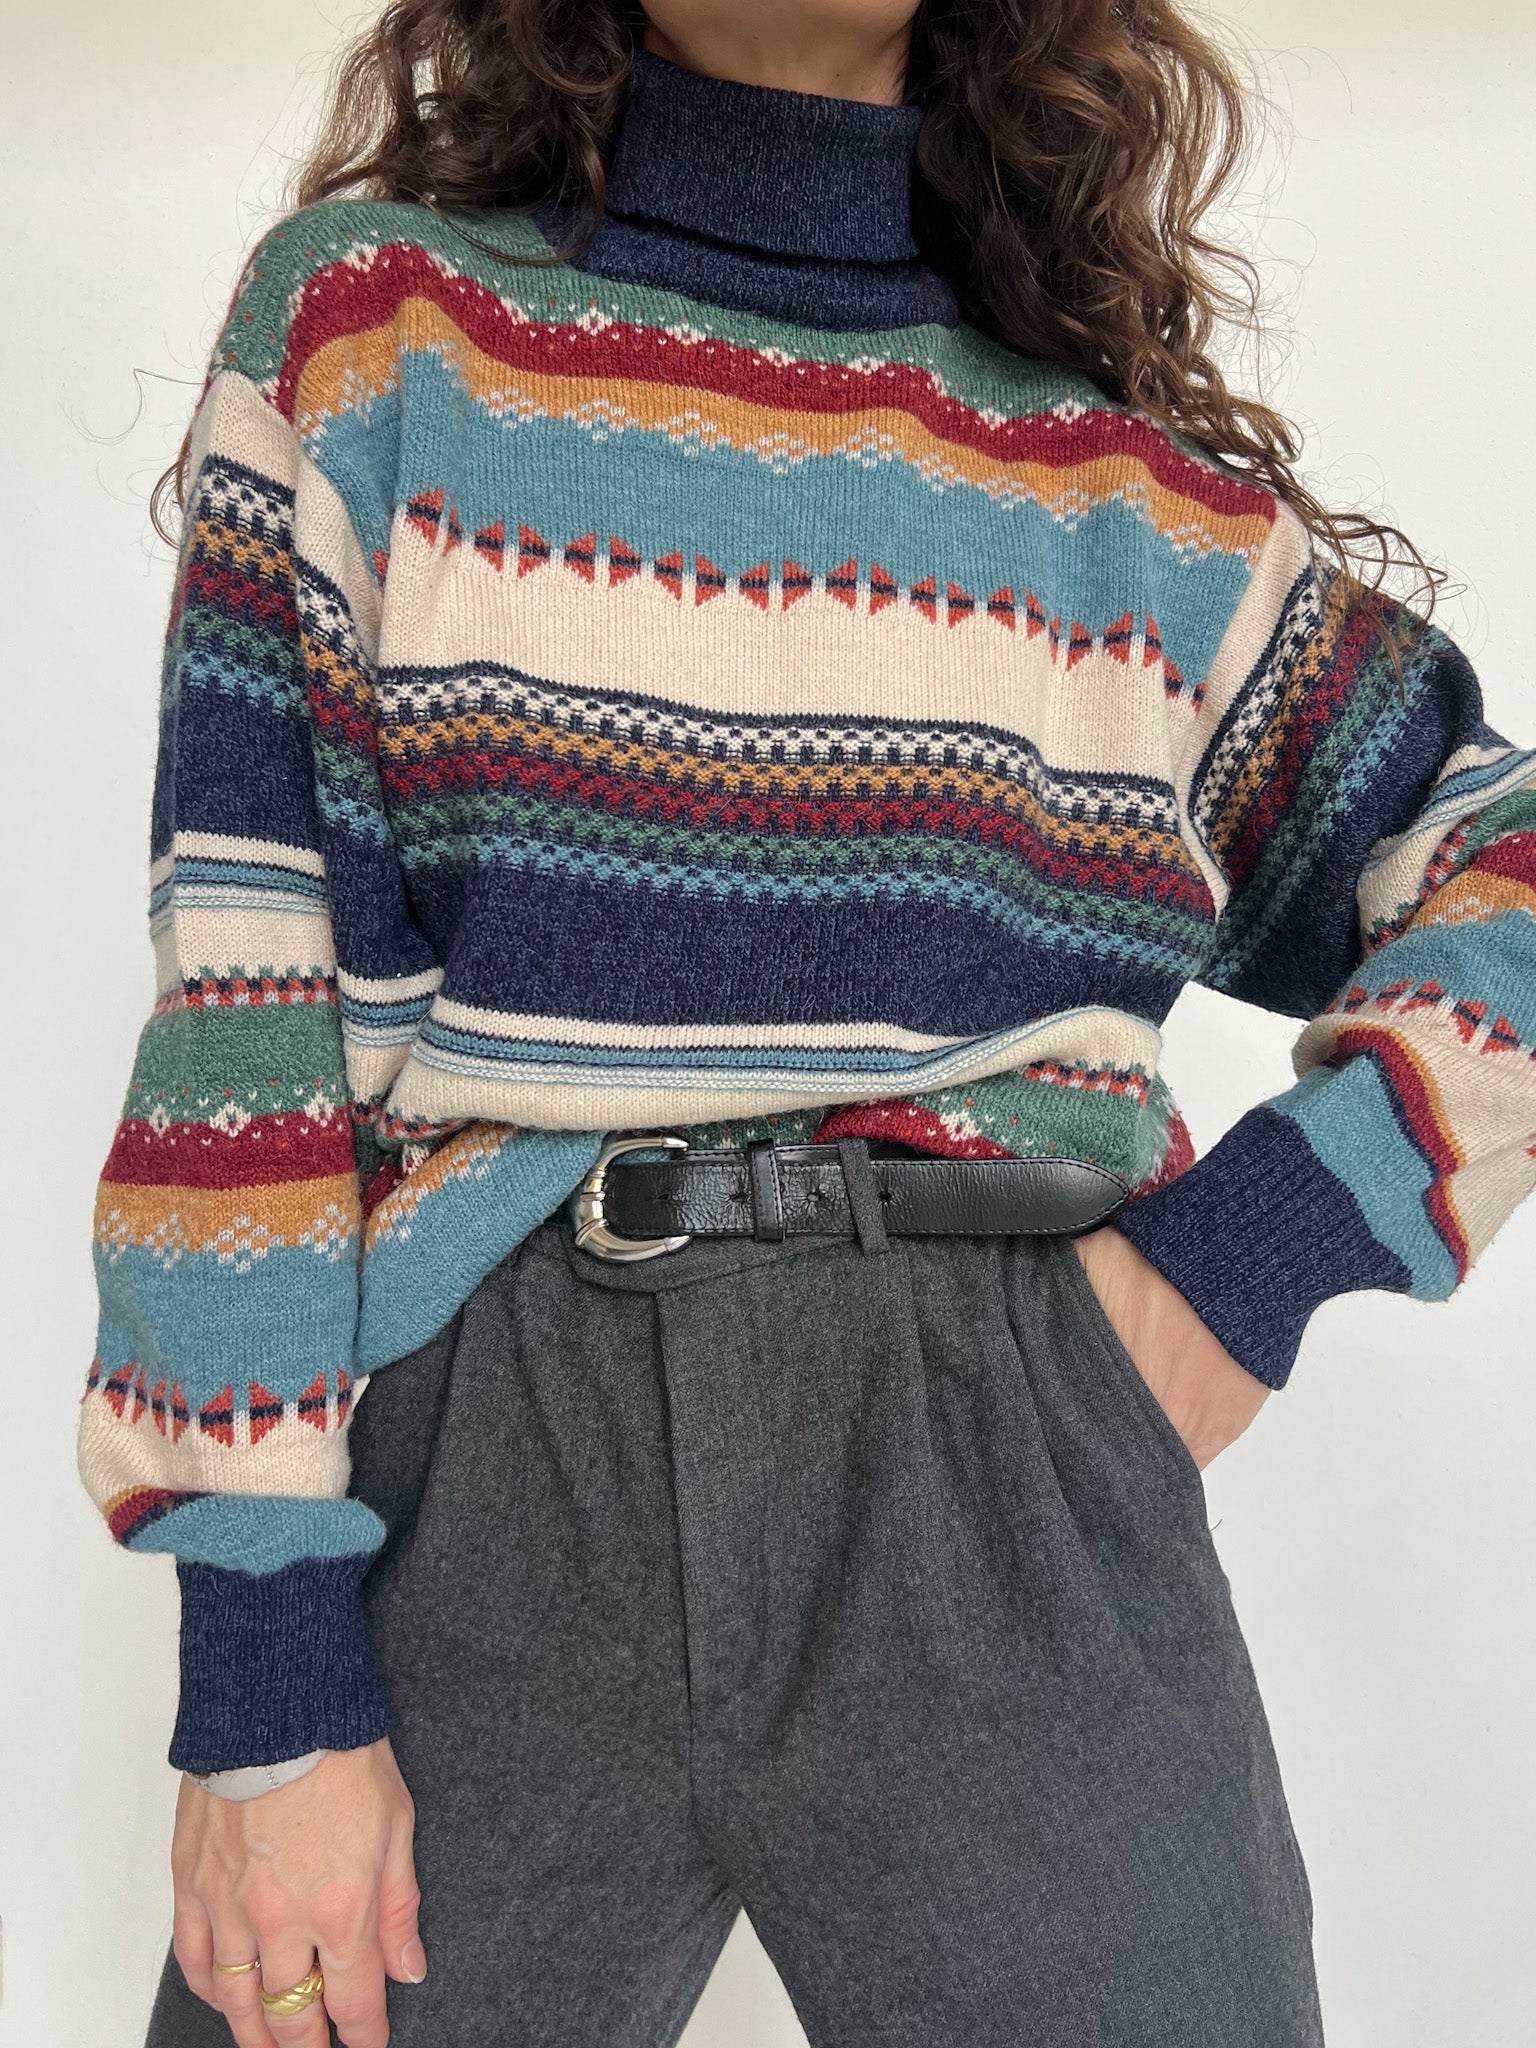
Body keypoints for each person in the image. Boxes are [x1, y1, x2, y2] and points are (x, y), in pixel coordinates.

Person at [83, 1, 1535, 2043]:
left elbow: (1503, 863)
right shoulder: (376, 335)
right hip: (479, 1483)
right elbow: (245, 1003)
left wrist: (1251, 1260)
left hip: (1007, 1467)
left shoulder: (1118, 492)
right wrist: (262, 1676)